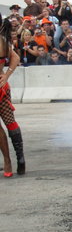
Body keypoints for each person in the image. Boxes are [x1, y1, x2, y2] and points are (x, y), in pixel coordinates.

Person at [0, 19, 25, 176]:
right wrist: (6, 75)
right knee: (9, 122)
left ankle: (9, 162)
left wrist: (6, 75)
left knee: (5, 124)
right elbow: (15, 58)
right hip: (2, 86)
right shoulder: (3, 41)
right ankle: (18, 159)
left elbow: (15, 58)